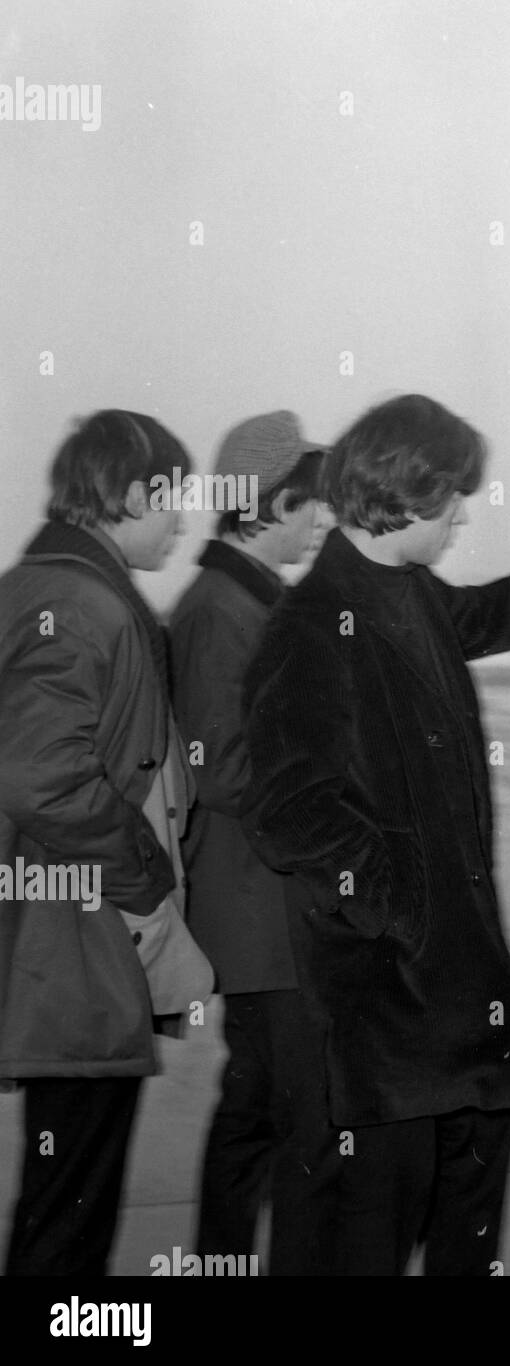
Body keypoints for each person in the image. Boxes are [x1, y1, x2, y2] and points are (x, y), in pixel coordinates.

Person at [241, 392, 510, 1275]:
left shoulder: (404, 592)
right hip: (387, 1012)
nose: (465, 512)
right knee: (375, 1240)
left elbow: (490, 616)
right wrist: (404, 907)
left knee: (467, 1229)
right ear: (405, 497)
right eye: (453, 496)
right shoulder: (308, 629)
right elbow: (289, 811)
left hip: (456, 1003)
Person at [0, 410, 212, 1275]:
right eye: (174, 502)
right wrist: (142, 879)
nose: (184, 522)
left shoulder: (44, 585)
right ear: (130, 494)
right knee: (71, 1209)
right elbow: (38, 773)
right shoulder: (76, 602)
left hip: (67, 939)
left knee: (65, 1192)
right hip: (78, 944)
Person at [169, 411, 329, 1268]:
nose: (321, 520)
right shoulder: (220, 612)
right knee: (282, 1112)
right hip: (257, 911)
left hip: (267, 908)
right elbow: (218, 767)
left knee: (262, 1106)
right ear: (263, 506)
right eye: (309, 504)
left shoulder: (245, 601)